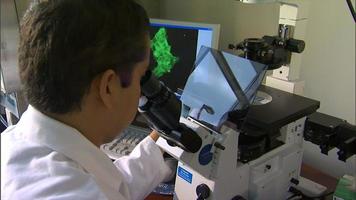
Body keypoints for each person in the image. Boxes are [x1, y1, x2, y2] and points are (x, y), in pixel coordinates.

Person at [1, 0, 172, 199]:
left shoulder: (12, 143)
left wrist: (160, 140)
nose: (141, 92)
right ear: (109, 87)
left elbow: (115, 187)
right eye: (141, 75)